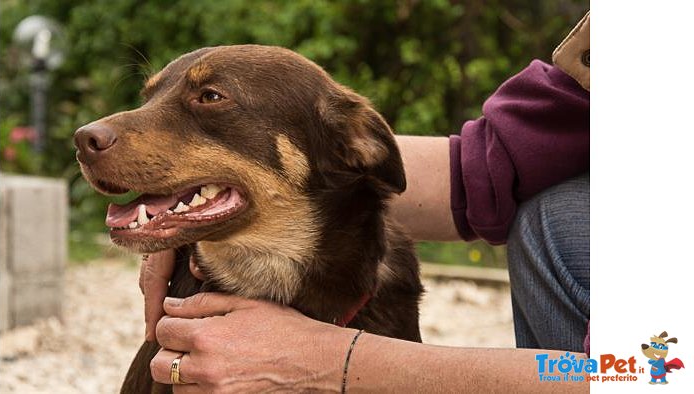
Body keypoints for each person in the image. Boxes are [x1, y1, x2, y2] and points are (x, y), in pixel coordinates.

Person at [137, 12, 590, 393]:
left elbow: (645, 372)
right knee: (555, 218)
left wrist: (335, 361)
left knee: (554, 221)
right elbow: (488, 167)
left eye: (211, 98)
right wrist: (197, 197)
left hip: (649, 361)